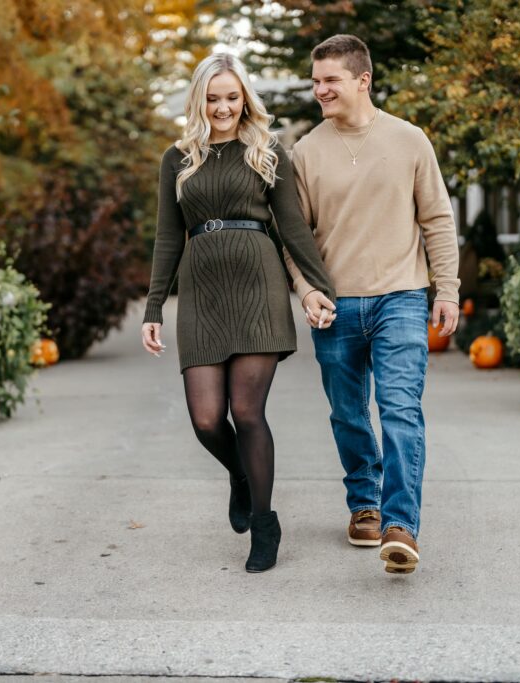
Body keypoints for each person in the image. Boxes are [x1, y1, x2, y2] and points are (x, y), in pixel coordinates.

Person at [141, 53, 336, 573]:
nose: (224, 107)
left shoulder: (267, 151)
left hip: (258, 284)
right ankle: (241, 475)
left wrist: (317, 288)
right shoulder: (177, 159)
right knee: (207, 420)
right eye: (213, 98)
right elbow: (167, 236)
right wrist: (154, 305)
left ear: (244, 98)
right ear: (198, 101)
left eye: (232, 97)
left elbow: (293, 228)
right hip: (201, 290)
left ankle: (265, 524)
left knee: (247, 413)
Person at [285, 35, 460, 575]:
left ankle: (400, 523)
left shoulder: (409, 141)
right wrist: (307, 290)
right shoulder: (306, 152)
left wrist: (447, 289)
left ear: (363, 80)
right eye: (315, 81)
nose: (320, 90)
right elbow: (298, 238)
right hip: (335, 306)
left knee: (401, 410)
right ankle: (364, 500)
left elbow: (436, 219)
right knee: (347, 413)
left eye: (330, 80)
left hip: (401, 299)